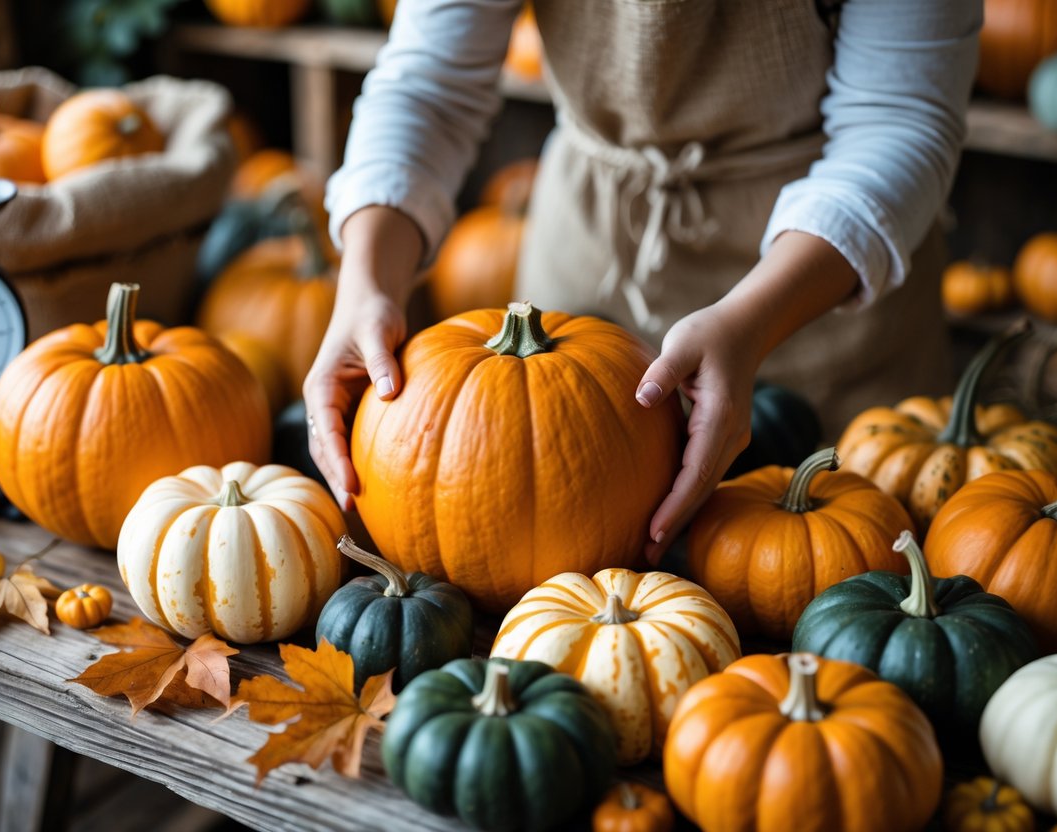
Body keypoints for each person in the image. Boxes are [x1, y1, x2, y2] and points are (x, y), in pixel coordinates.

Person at [303, 0, 982, 564]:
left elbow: (900, 119)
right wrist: (364, 281)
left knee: (832, 560)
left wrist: (750, 324)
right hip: (593, 240)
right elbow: (429, 84)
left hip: (821, 290)